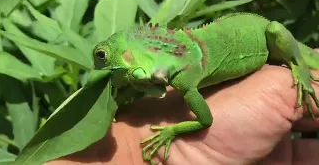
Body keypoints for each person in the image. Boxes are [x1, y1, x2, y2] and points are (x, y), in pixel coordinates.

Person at [47, 50, 319, 165]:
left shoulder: (183, 80)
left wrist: (171, 132)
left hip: (277, 47)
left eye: (103, 58)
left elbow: (205, 120)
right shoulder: (179, 80)